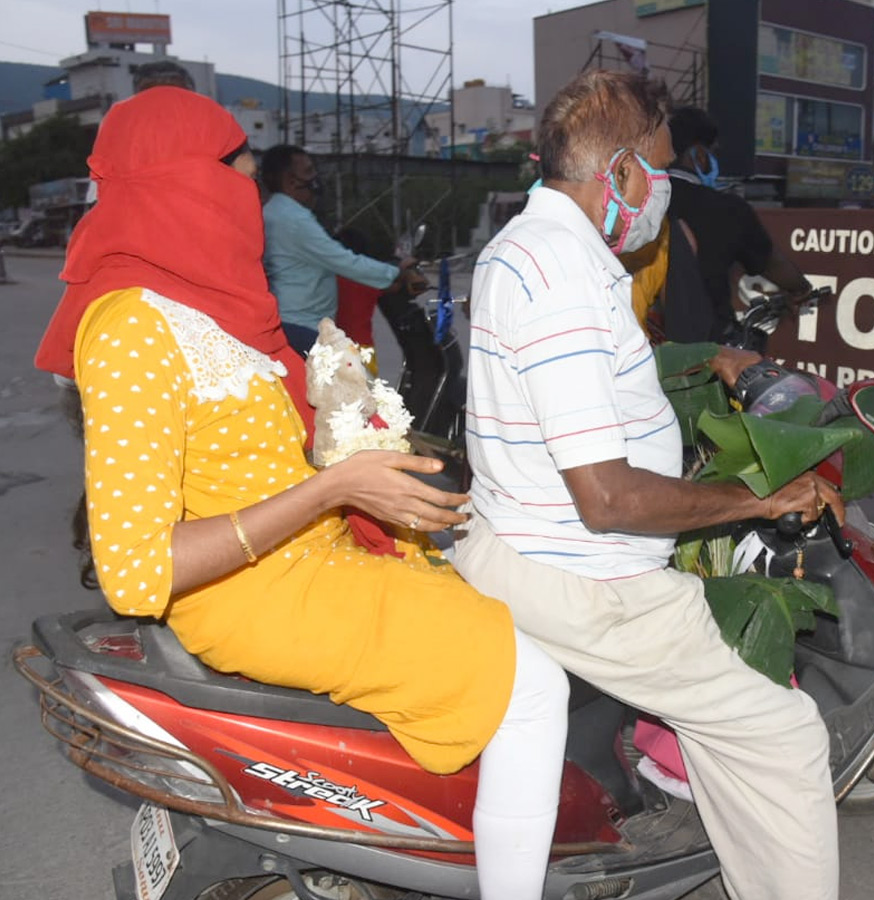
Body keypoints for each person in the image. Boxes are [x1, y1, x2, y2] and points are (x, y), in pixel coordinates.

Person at [33, 87, 567, 900]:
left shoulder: (204, 306)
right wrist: (335, 490)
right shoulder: (132, 325)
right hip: (253, 593)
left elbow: (247, 457)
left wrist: (352, 440)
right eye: (235, 173)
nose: (248, 194)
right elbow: (135, 572)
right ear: (178, 182)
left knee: (506, 590)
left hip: (311, 561)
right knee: (534, 685)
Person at [453, 70, 841, 900]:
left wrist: (706, 359)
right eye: (663, 173)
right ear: (622, 171)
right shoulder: (565, 278)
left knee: (716, 715)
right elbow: (610, 499)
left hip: (520, 545)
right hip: (588, 579)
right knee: (785, 733)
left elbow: (585, 389)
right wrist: (764, 500)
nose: (668, 193)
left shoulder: (526, 248)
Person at [666, 106, 812, 341]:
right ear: (700, 156)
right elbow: (773, 263)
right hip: (708, 348)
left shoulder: (641, 201)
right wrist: (800, 289)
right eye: (712, 154)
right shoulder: (728, 209)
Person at [260, 144, 405, 355]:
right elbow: (343, 261)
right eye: (308, 171)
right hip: (302, 325)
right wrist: (397, 270)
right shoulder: (295, 219)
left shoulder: (272, 211)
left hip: (286, 321)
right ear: (291, 181)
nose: (315, 178)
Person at [333, 227, 429, 377]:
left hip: (332, 347)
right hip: (361, 346)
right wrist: (408, 267)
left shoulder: (328, 279)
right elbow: (402, 285)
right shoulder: (370, 278)